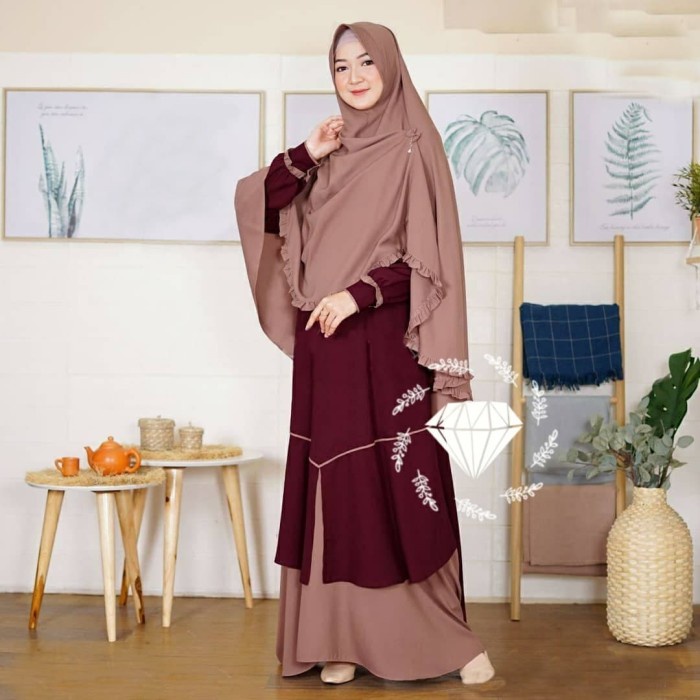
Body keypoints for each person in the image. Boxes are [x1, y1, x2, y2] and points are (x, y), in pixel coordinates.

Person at [234, 21, 495, 686]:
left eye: (366, 62)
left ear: (391, 66)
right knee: (336, 486)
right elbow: (261, 203)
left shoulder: (415, 145)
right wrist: (307, 152)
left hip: (385, 343)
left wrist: (359, 295)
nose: (353, 77)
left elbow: (432, 261)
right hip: (325, 351)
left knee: (400, 488)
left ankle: (449, 642)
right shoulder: (329, 151)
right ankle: (337, 639)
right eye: (341, 66)